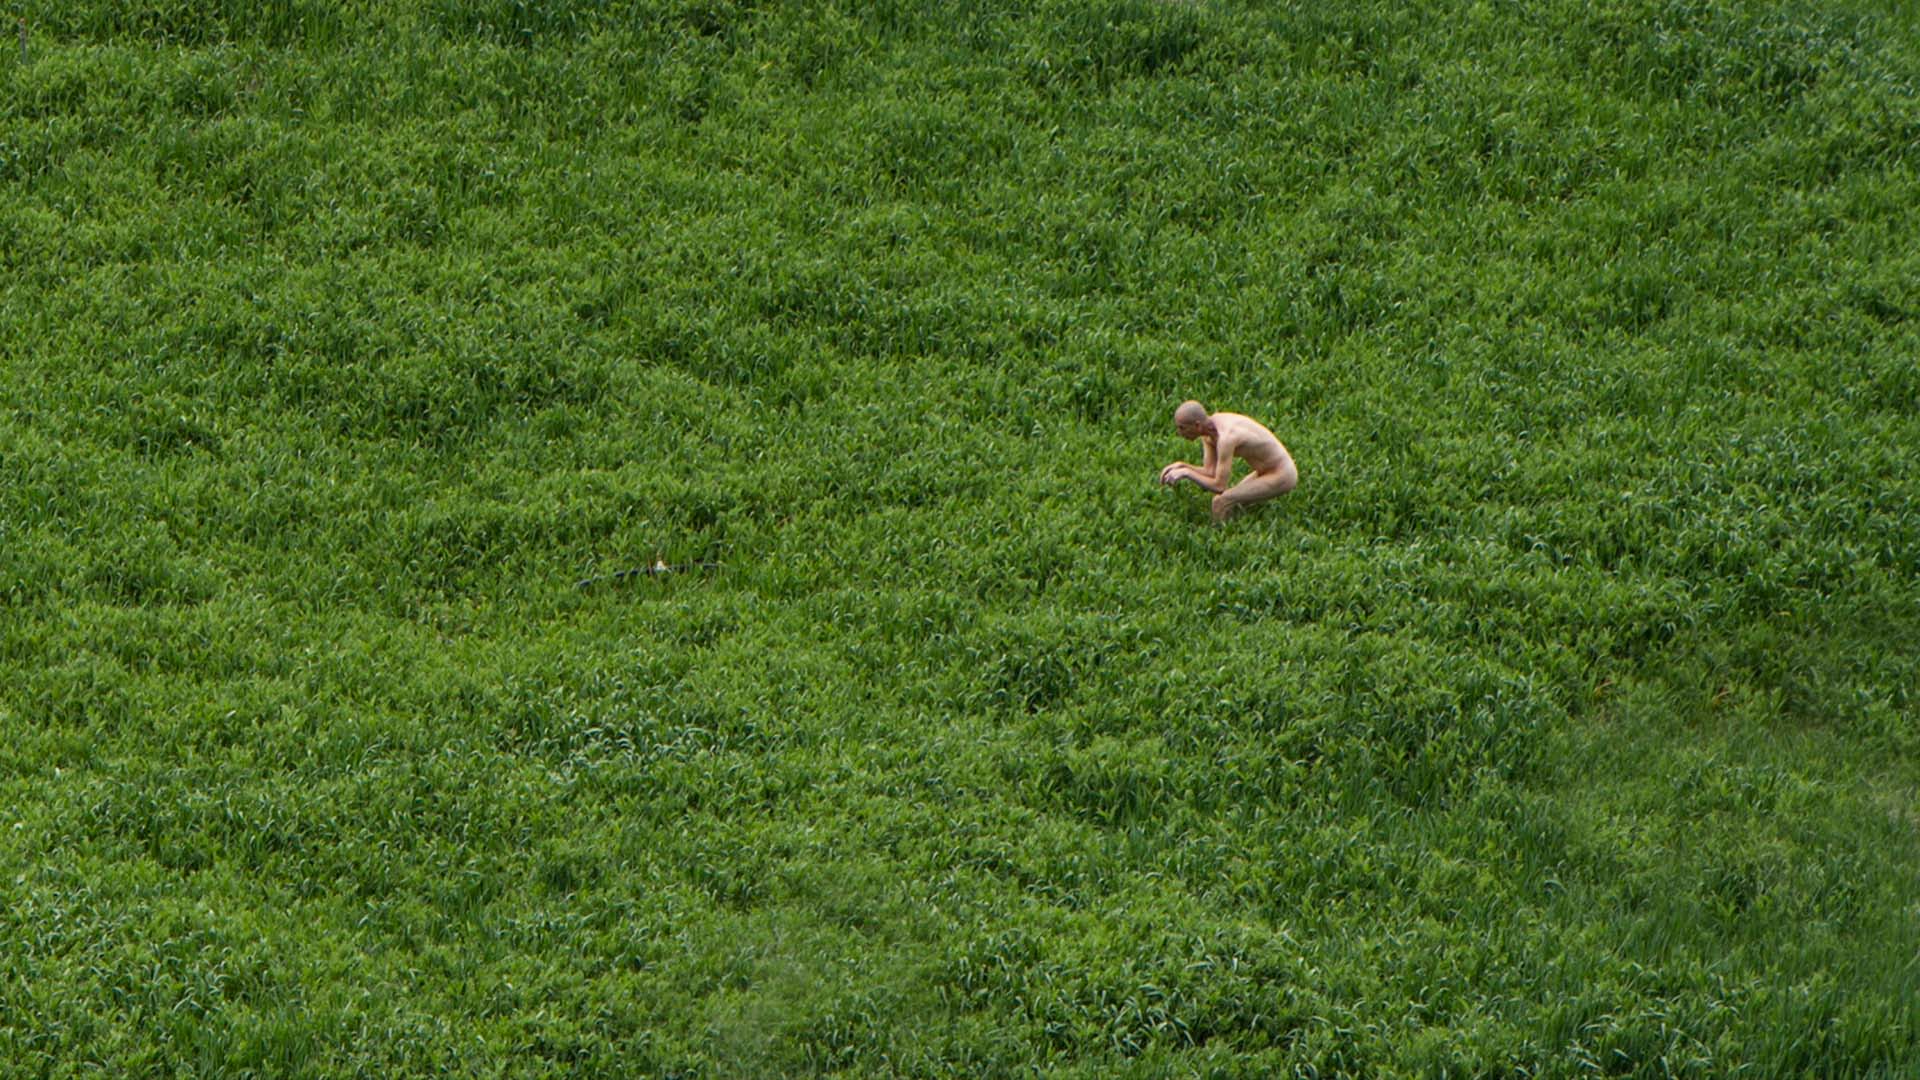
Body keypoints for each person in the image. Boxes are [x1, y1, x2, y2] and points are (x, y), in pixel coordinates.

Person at [1158, 400, 1297, 522]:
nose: (1180, 433)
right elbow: (1210, 472)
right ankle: (1237, 529)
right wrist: (1182, 465)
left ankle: (1220, 540)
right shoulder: (1208, 435)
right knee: (1234, 504)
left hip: (1282, 474)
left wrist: (1186, 473)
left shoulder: (1226, 438)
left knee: (1221, 502)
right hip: (1263, 472)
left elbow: (1219, 486)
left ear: (1197, 425)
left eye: (1182, 427)